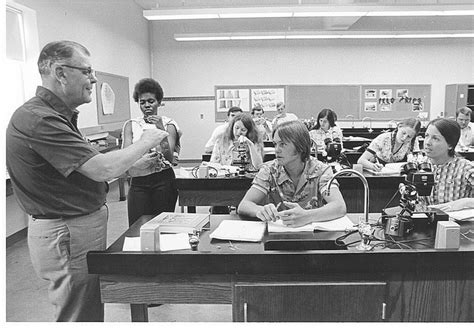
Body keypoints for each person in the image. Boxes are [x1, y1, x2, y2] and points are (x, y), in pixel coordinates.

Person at [5, 41, 168, 322]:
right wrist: (146, 140)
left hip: (76, 228)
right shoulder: (39, 119)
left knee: (88, 307)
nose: (93, 78)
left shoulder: (59, 117)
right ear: (60, 73)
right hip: (66, 230)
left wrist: (133, 168)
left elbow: (81, 171)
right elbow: (101, 169)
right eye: (87, 71)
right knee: (78, 313)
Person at [238, 120, 347, 227]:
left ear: (300, 146)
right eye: (275, 144)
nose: (276, 150)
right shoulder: (269, 169)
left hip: (313, 239)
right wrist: (261, 210)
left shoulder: (321, 170)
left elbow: (339, 206)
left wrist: (307, 216)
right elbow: (244, 205)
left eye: (283, 144)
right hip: (277, 236)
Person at [122, 78, 182, 226]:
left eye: (151, 101)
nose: (147, 105)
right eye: (142, 102)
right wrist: (138, 162)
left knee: (162, 225)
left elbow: (168, 157)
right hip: (138, 180)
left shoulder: (169, 124)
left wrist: (160, 129)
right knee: (137, 226)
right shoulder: (131, 125)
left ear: (159, 102)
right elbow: (124, 157)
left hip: (163, 180)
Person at [418, 118, 474, 211]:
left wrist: (464, 203)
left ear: (450, 145)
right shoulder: (419, 166)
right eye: (426, 136)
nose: (427, 142)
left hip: (456, 224)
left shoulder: (465, 168)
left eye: (435, 138)